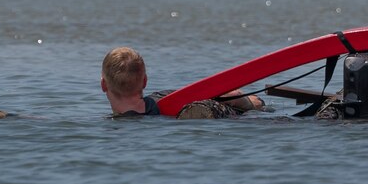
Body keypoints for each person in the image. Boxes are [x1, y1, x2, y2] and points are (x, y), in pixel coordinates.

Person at [102, 46, 264, 119]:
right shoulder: (166, 100)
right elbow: (232, 95)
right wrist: (254, 102)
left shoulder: (107, 127)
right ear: (145, 81)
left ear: (103, 85)